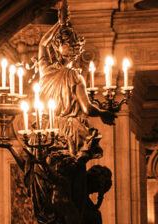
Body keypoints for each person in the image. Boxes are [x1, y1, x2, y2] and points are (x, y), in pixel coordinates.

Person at [38, 4, 116, 154]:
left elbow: (43, 43)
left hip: (47, 128)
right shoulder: (75, 76)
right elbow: (87, 108)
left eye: (73, 44)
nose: (73, 47)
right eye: (70, 44)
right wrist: (101, 112)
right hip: (70, 129)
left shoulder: (45, 70)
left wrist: (59, 24)